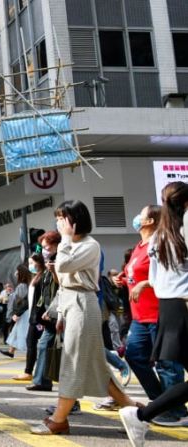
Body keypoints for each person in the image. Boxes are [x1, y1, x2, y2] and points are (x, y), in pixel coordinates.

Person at [30, 200, 138, 435]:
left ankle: (59, 419)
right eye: (57, 218)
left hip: (83, 305)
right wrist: (59, 313)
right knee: (97, 367)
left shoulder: (89, 245)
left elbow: (65, 266)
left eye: (62, 218)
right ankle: (137, 413)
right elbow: (63, 283)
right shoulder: (71, 244)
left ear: (75, 220)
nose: (58, 222)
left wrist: (66, 239)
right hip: (71, 304)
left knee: (73, 363)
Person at [120, 182, 188, 445]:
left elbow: (155, 280)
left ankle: (142, 415)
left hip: (168, 306)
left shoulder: (160, 236)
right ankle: (141, 415)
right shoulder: (183, 227)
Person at [27, 231, 61, 392]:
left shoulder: (61, 261)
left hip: (60, 313)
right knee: (43, 345)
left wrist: (52, 310)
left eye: (47, 247)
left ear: (56, 245)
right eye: (43, 247)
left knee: (86, 351)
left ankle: (117, 362)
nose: (44, 250)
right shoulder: (49, 264)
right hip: (51, 315)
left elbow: (62, 287)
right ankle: (42, 381)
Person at [12, 254, 46, 381]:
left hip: (40, 318)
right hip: (34, 317)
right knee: (32, 343)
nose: (30, 266)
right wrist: (18, 312)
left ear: (39, 262)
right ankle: (31, 372)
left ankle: (33, 373)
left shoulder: (44, 278)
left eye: (32, 263)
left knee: (35, 344)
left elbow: (43, 299)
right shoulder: (35, 278)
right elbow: (28, 299)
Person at [0, 265, 31, 358]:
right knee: (16, 332)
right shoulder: (24, 285)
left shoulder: (22, 286)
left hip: (23, 313)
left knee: (23, 333)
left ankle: (31, 353)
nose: (15, 273)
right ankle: (11, 351)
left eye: (17, 271)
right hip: (22, 313)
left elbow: (23, 302)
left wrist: (17, 313)